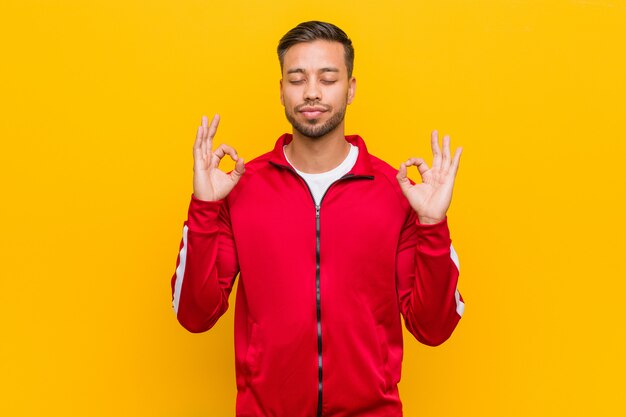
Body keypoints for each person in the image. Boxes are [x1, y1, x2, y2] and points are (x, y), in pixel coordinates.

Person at [171, 20, 465, 417]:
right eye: (297, 79)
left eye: (328, 78)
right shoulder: (239, 188)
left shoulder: (397, 193)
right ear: (281, 90)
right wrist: (205, 208)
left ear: (351, 88)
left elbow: (433, 328)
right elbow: (194, 315)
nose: (312, 92)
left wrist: (432, 225)